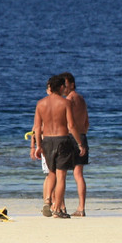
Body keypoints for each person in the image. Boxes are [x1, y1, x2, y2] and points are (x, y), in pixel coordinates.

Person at [32, 74, 85, 219]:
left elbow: (37, 127)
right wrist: (80, 143)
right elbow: (71, 125)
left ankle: (48, 200)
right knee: (61, 176)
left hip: (47, 140)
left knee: (51, 173)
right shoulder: (65, 103)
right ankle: (57, 209)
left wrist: (38, 145)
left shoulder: (40, 103)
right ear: (61, 87)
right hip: (62, 139)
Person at [61, 72, 89, 216]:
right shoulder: (82, 99)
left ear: (72, 84)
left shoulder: (68, 100)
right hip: (82, 136)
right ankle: (81, 208)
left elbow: (69, 124)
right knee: (79, 175)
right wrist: (82, 138)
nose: (64, 88)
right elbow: (86, 122)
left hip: (71, 137)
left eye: (65, 85)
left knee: (62, 173)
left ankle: (62, 207)